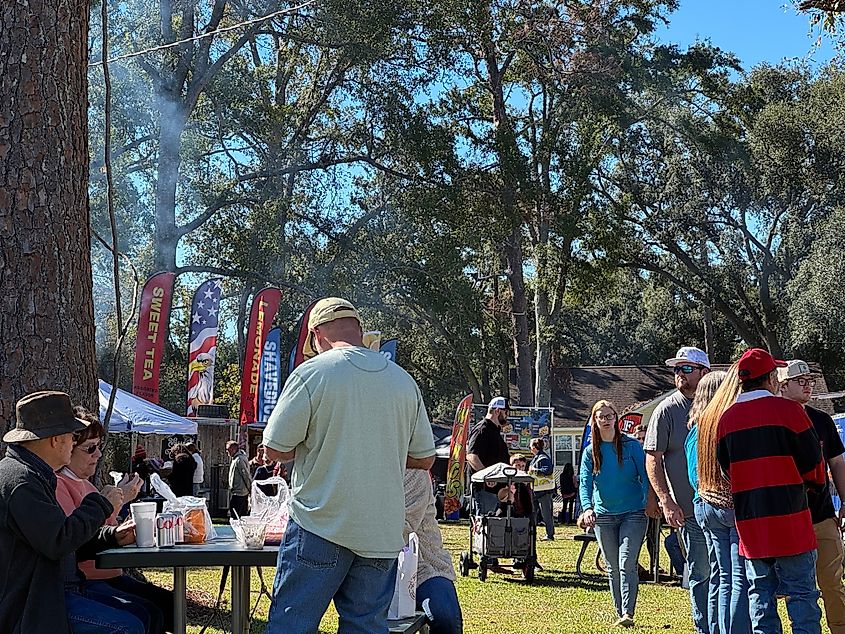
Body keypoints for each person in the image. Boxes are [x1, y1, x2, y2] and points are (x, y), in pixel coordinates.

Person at [262, 297, 436, 633]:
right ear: (358, 330)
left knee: (292, 625)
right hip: (380, 530)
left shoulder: (311, 374)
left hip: (319, 523)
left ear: (317, 334)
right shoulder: (403, 381)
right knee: (367, 627)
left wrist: (321, 446)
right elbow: (425, 457)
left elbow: (274, 449)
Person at [0, 391, 142, 634]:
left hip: (49, 594)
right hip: (30, 607)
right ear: (56, 440)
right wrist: (100, 502)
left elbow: (61, 542)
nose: (73, 443)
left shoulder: (31, 474)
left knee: (143, 615)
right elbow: (58, 541)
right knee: (127, 627)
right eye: (71, 436)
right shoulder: (21, 481)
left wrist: (111, 536)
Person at [718, 348, 826, 634]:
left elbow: (726, 469)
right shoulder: (790, 411)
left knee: (760, 595)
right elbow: (815, 464)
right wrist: (810, 490)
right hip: (790, 517)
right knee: (802, 594)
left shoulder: (727, 419)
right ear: (770, 378)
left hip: (751, 520)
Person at [55, 407, 174, 634]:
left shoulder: (86, 484)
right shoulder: (59, 484)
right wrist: (116, 504)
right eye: (90, 448)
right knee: (145, 614)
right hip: (91, 577)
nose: (98, 455)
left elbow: (106, 530)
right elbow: (80, 538)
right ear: (67, 448)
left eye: (100, 447)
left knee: (166, 604)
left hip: (107, 573)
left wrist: (122, 515)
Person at [644, 345, 712, 633]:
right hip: (689, 509)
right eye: (676, 369)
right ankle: (704, 627)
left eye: (687, 368)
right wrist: (665, 500)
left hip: (725, 507)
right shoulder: (667, 410)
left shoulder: (719, 406)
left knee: (731, 572)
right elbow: (652, 458)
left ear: (705, 373)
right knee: (701, 571)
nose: (679, 374)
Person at [780, 359, 845, 633]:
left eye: (810, 381)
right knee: (793, 587)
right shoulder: (773, 419)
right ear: (781, 385)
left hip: (821, 515)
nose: (807, 386)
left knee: (832, 581)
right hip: (783, 519)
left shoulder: (822, 420)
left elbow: (838, 462)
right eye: (800, 381)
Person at [580, 400, 649, 628]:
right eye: (601, 416)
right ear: (595, 421)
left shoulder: (631, 446)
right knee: (612, 565)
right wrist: (587, 508)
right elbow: (584, 483)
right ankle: (620, 612)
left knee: (626, 562)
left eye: (610, 416)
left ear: (616, 419)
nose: (606, 420)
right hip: (604, 515)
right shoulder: (591, 452)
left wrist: (651, 502)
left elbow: (646, 477)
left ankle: (628, 612)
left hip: (634, 512)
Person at [685, 370, 744, 634]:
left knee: (719, 576)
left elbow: (691, 474)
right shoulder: (723, 425)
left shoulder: (695, 429)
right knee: (736, 576)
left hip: (703, 505)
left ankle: (713, 628)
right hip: (728, 505)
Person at [404, 469, 463, 634]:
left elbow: (403, 528)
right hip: (367, 565)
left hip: (424, 567)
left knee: (445, 618)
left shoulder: (414, 470)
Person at [466, 397, 511, 515]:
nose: (507, 415)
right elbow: (471, 456)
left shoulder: (495, 431)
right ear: (497, 411)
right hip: (485, 490)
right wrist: (487, 476)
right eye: (506, 412)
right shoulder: (482, 429)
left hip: (498, 491)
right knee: (485, 526)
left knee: (496, 528)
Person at [528, 438, 555, 540]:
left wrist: (534, 471)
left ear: (534, 448)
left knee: (546, 514)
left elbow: (547, 471)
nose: (530, 449)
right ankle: (532, 533)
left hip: (544, 491)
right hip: (536, 491)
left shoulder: (542, 458)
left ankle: (550, 535)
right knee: (534, 513)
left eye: (530, 447)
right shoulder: (537, 458)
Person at [226, 440, 251, 518]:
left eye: (228, 449)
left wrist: (250, 488)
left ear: (233, 449)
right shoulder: (236, 459)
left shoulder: (239, 460)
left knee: (236, 513)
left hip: (240, 492)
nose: (227, 452)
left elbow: (245, 475)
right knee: (235, 512)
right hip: (237, 491)